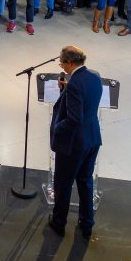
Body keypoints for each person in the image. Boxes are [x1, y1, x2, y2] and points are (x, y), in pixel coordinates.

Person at [47, 45, 103, 239]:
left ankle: (59, 222)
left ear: (70, 63)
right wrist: (65, 90)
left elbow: (74, 119)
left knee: (63, 184)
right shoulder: (95, 77)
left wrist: (57, 128)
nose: (61, 66)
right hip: (92, 138)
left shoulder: (74, 85)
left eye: (62, 62)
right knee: (85, 181)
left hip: (73, 145)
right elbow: (86, 103)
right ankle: (87, 224)